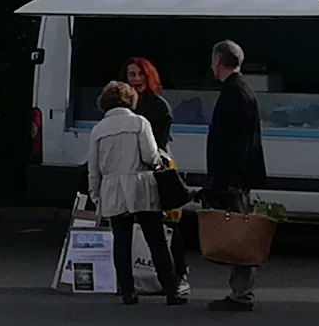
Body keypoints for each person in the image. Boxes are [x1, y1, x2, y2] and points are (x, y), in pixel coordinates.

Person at [83, 82, 183, 303]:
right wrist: (160, 163)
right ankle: (171, 289)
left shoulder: (98, 129)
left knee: (121, 241)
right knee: (156, 240)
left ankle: (127, 291)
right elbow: (150, 156)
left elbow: (94, 167)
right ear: (131, 100)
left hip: (112, 189)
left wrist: (96, 194)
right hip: (141, 186)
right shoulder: (139, 122)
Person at [202, 38, 270, 309]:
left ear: (218, 62)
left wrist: (221, 179)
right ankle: (240, 292)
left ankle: (241, 294)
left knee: (239, 236)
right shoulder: (244, 91)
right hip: (242, 175)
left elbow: (230, 143)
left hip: (234, 177)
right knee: (240, 232)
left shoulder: (233, 94)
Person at [124, 57, 175, 164]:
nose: (137, 78)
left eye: (141, 74)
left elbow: (160, 143)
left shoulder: (159, 106)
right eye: (132, 74)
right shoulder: (120, 105)